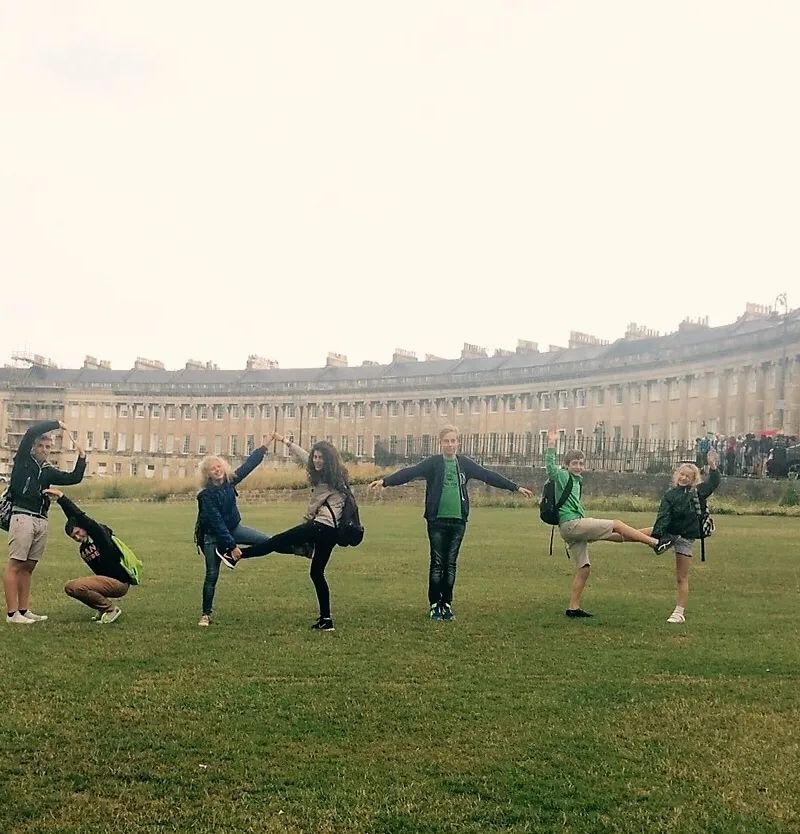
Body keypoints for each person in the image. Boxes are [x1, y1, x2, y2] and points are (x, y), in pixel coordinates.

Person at [369, 425, 533, 621]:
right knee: (437, 563)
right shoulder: (433, 463)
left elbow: (488, 476)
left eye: (453, 441)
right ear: (441, 443)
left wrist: (515, 487)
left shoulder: (464, 463)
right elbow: (410, 472)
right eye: (446, 441)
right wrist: (385, 481)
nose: (450, 444)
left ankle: (446, 603)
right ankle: (434, 604)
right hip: (436, 519)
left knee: (451, 564)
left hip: (458, 521)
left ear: (458, 442)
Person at [544, 429, 674, 619]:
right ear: (567, 465)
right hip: (572, 524)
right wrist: (551, 444)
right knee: (617, 524)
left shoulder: (577, 481)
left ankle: (573, 608)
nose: (578, 467)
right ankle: (655, 543)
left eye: (581, 463)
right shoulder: (563, 476)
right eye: (574, 463)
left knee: (590, 562)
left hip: (571, 529)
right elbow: (550, 467)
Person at [232, 433, 350, 632]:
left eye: (321, 457)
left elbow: (306, 460)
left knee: (276, 541)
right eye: (316, 456)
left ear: (329, 460)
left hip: (320, 526)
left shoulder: (329, 477)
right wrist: (286, 442)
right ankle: (326, 620)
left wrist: (286, 443)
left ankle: (238, 554)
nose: (316, 460)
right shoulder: (340, 476)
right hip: (332, 532)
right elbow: (305, 457)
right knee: (317, 573)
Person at [5, 420, 86, 625]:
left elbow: (74, 478)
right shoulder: (23, 459)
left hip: (41, 519)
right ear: (33, 447)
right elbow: (32, 431)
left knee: (29, 566)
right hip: (22, 515)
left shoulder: (48, 470)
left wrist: (82, 457)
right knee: (16, 564)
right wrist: (58, 424)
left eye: (48, 446)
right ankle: (12, 614)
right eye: (40, 446)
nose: (44, 449)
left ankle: (24, 610)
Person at [196, 439, 284, 626]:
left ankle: (300, 549)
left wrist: (264, 446)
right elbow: (217, 524)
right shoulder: (206, 496)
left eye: (219, 466)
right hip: (212, 537)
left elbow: (248, 466)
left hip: (234, 529)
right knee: (212, 574)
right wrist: (233, 546)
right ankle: (206, 614)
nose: (217, 470)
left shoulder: (230, 481)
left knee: (267, 541)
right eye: (213, 469)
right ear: (208, 474)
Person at [649, 449, 721, 623]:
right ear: (676, 475)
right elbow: (663, 516)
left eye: (688, 476)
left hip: (685, 538)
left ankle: (679, 612)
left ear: (693, 479)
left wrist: (712, 466)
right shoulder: (670, 495)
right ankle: (613, 532)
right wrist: (658, 537)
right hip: (669, 533)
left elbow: (713, 483)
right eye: (682, 474)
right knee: (635, 533)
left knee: (681, 576)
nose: (683, 478)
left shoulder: (698, 492)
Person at [44, 488, 134, 623]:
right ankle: (102, 608)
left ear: (85, 527)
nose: (78, 537)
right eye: (74, 537)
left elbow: (79, 516)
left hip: (119, 582)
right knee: (71, 587)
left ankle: (110, 610)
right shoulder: (83, 550)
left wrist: (61, 498)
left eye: (78, 532)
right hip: (106, 581)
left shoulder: (100, 535)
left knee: (76, 586)